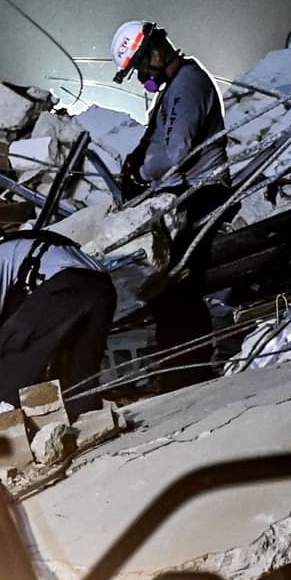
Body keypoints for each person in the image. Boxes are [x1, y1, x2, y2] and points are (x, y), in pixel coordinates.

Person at [111, 20, 235, 389]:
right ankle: (177, 370)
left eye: (140, 69)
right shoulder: (173, 90)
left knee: (179, 285)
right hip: (186, 196)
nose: (141, 78)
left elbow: (176, 152)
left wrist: (142, 174)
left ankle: (188, 374)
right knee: (168, 285)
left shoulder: (187, 86)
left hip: (203, 193)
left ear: (154, 52)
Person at [0, 222, 117, 414]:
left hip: (66, 286)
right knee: (75, 362)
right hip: (103, 290)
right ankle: (87, 415)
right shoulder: (30, 248)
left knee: (5, 347)